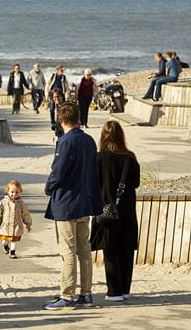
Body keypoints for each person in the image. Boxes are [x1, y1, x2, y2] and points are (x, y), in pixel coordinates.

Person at [43, 103, 103, 310]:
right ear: (78, 118)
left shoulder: (65, 141)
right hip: (84, 201)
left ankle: (67, 295)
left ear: (61, 120)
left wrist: (49, 187)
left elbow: (58, 171)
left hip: (67, 202)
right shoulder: (88, 140)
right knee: (84, 249)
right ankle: (86, 292)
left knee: (68, 250)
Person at [90, 121, 141, 301]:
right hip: (127, 210)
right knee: (126, 251)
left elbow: (93, 184)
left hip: (105, 210)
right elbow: (135, 183)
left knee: (110, 250)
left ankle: (114, 291)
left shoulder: (98, 158)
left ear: (103, 136)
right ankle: (125, 289)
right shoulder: (130, 158)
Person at [0, 180, 33, 259]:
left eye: (17, 192)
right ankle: (5, 245)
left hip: (16, 225)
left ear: (20, 191)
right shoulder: (4, 202)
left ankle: (12, 252)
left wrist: (28, 224)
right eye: (12, 192)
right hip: (5, 225)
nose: (14, 194)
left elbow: (25, 214)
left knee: (14, 240)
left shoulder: (21, 203)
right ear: (8, 191)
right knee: (5, 240)